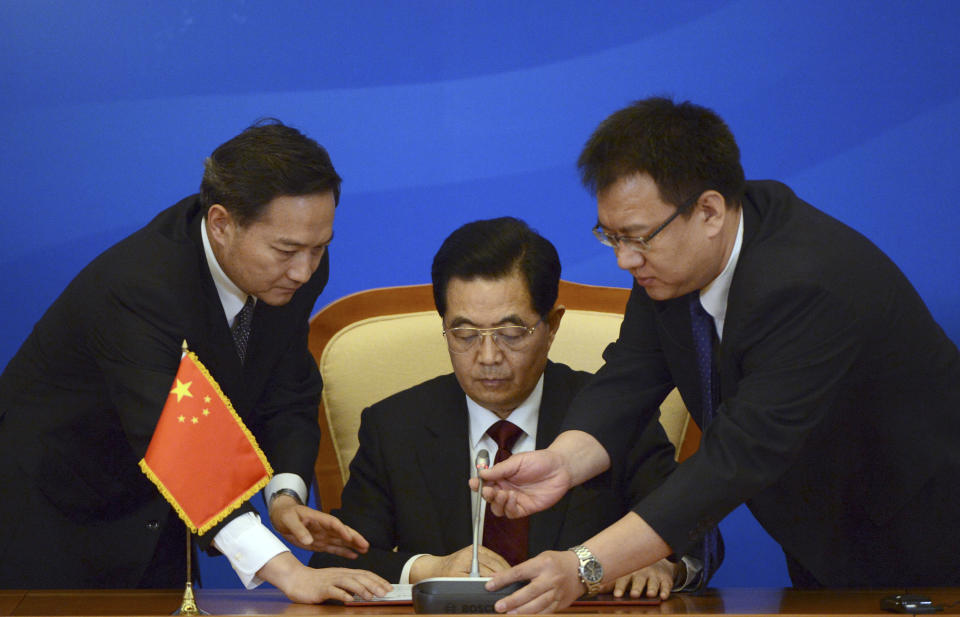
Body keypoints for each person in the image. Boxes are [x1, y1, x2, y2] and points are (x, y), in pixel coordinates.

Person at [477, 97, 960, 613]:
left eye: (637, 238)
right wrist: (561, 463)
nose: (624, 259)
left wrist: (583, 567)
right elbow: (630, 376)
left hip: (932, 541)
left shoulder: (809, 283)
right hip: (826, 544)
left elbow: (737, 456)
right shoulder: (675, 262)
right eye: (611, 237)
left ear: (708, 210)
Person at [0, 120, 391, 603]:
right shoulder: (138, 287)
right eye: (287, 250)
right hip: (53, 516)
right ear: (221, 224)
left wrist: (285, 496)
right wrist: (290, 572)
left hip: (160, 519)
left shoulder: (296, 269)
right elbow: (177, 439)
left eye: (319, 247)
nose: (305, 270)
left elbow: (287, 385)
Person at [309, 216, 715, 598]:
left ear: (552, 325)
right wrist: (425, 568)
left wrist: (664, 567)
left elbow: (694, 538)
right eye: (465, 333)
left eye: (510, 333)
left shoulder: (614, 415)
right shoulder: (395, 425)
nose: (487, 356)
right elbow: (334, 559)